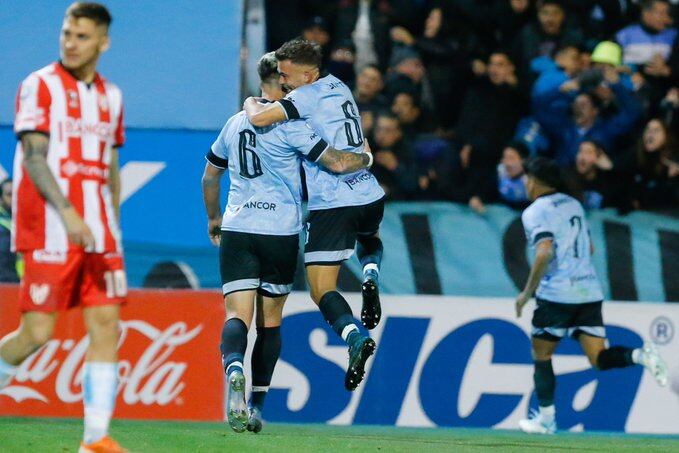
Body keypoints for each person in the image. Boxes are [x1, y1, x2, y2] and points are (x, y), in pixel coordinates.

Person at [204, 52, 373, 432]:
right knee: (270, 322)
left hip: (238, 228)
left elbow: (210, 177)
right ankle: (259, 406)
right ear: (284, 86)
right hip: (279, 231)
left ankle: (234, 369)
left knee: (236, 317)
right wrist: (364, 159)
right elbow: (335, 162)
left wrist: (214, 219)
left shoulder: (233, 124)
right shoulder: (293, 126)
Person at [0, 3, 127, 452]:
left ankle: (94, 439)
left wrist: (110, 220)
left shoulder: (111, 96)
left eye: (82, 36)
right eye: (67, 33)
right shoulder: (39, 85)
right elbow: (34, 158)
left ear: (103, 42)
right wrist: (70, 214)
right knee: (37, 334)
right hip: (48, 227)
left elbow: (111, 164)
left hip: (99, 230)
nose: (71, 43)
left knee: (106, 324)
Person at [243, 39, 385, 391]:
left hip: (333, 203)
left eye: (288, 75)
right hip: (370, 192)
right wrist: (367, 159)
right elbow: (355, 146)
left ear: (308, 74)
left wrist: (251, 99)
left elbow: (259, 117)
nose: (284, 82)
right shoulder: (340, 85)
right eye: (279, 75)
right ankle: (371, 272)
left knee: (322, 290)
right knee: (369, 237)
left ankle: (354, 337)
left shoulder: (302, 98)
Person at [515, 157, 668, 435]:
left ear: (535, 181)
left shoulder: (535, 211)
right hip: (589, 292)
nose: (524, 183)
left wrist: (527, 292)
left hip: (558, 294)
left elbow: (544, 251)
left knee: (541, 353)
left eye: (526, 178)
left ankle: (546, 419)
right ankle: (640, 355)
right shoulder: (572, 204)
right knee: (598, 358)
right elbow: (591, 248)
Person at [0, 179, 19, 283]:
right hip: (6, 282)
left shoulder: (25, 219)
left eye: (16, 194)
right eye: (9, 195)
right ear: (1, 198)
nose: (14, 199)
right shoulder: (2, 227)